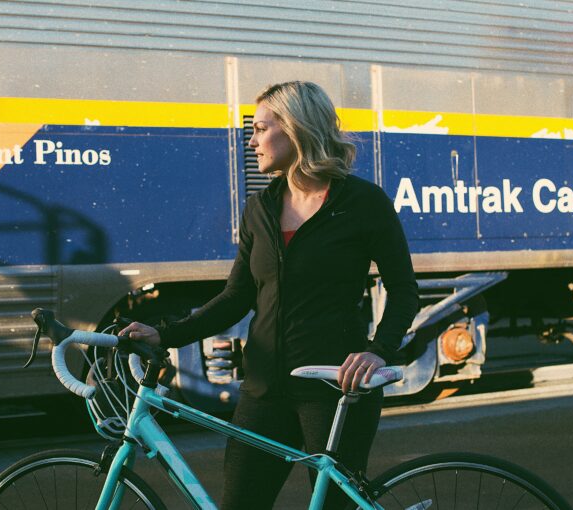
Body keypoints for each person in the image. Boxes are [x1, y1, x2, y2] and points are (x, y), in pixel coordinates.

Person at [119, 81, 418, 509]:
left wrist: (379, 351)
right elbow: (236, 298)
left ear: (295, 128)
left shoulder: (363, 203)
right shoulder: (260, 209)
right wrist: (163, 335)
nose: (252, 140)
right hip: (262, 393)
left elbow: (404, 291)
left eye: (261, 128)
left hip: (334, 389)